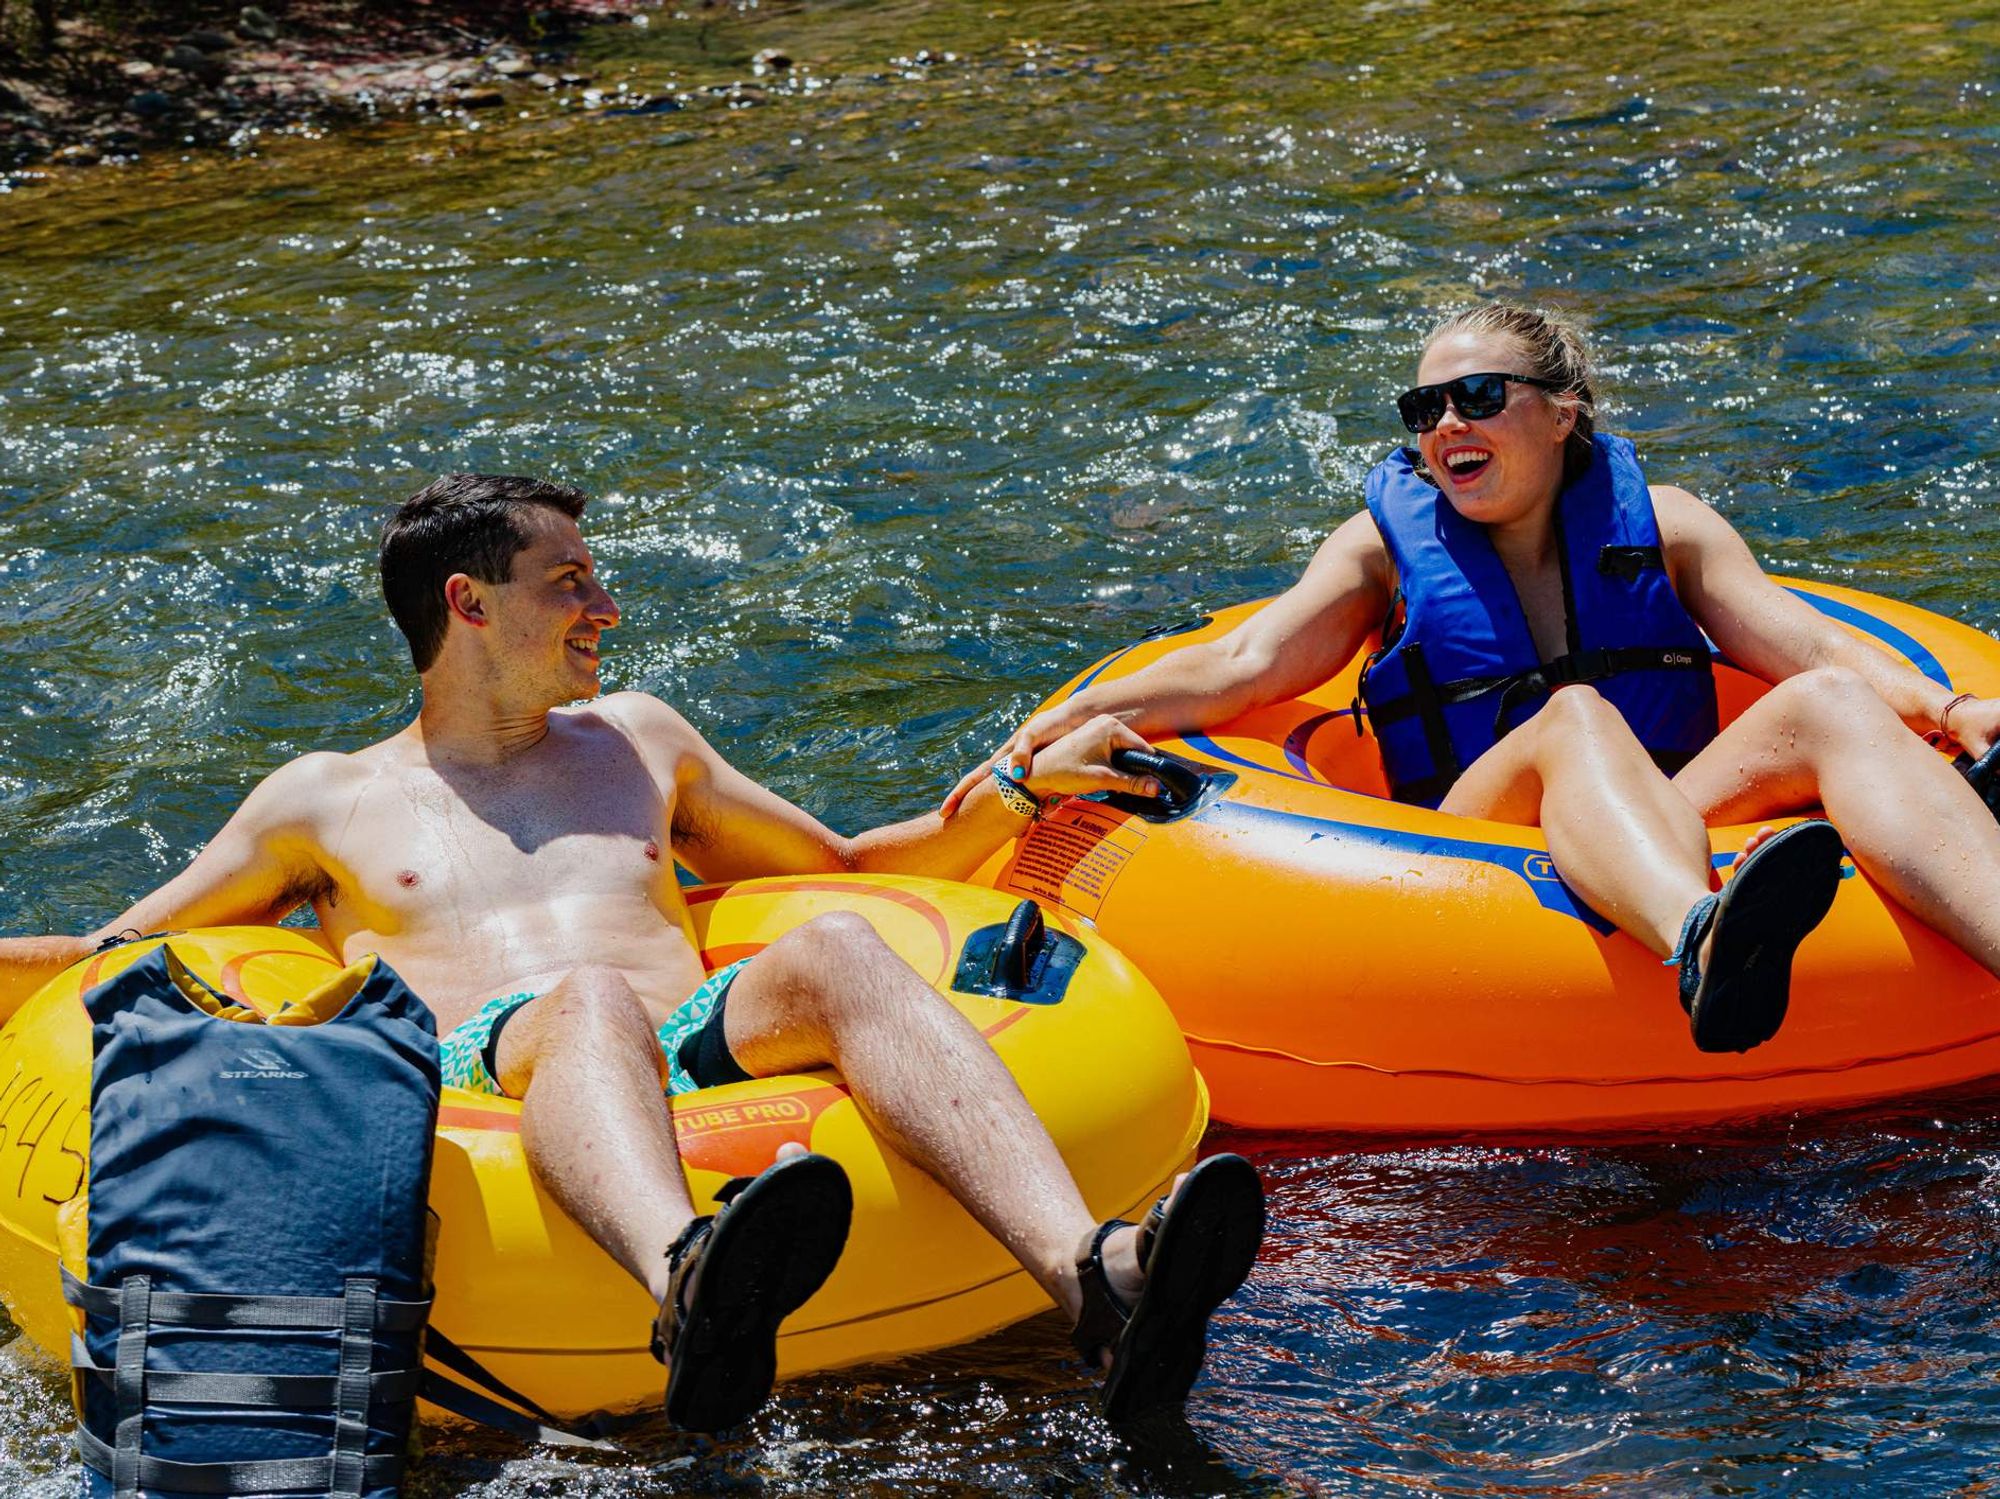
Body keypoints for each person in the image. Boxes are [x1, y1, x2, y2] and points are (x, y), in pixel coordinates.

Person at [0, 474, 1266, 1432]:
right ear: (468, 602)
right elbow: (121, 953)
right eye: (571, 582)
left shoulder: (639, 738)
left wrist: (1015, 787)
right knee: (585, 998)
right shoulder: (319, 800)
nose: (604, 607)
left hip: (697, 1034)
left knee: (832, 948)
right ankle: (683, 1275)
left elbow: (848, 870)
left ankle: (1093, 1274)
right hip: (486, 1073)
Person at [943, 301, 2000, 1055]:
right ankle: (1698, 938)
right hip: (1470, 842)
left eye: (1478, 396)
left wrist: (1955, 710)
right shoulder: (1377, 552)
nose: (1445, 423)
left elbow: (1810, 651)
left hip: (1662, 813)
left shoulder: (1668, 528)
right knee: (1574, 716)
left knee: (1823, 707)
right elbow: (1243, 664)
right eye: (1423, 406)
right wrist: (1063, 721)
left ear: (1561, 411)